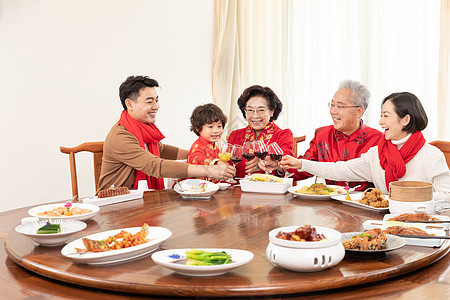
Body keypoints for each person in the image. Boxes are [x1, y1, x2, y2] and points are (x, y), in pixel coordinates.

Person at [272, 92, 450, 201]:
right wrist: (301, 164)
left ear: (405, 119)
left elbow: (447, 197)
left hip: (422, 226)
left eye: (386, 116)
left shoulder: (431, 155)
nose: (380, 122)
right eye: (381, 115)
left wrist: (403, 198)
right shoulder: (377, 154)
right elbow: (341, 170)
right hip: (385, 222)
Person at [97, 76, 235, 191]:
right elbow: (154, 166)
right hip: (117, 203)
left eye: (156, 100)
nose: (156, 106)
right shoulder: (121, 136)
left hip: (140, 196)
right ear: (130, 104)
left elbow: (161, 150)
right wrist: (208, 169)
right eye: (149, 101)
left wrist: (198, 154)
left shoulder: (142, 128)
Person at [264, 79, 382, 191]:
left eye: (340, 106)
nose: (333, 111)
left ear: (359, 111)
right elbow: (304, 168)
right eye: (332, 104)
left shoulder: (377, 140)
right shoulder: (322, 135)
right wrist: (279, 166)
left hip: (362, 205)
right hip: (327, 205)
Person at [227, 85, 294, 178]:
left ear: (272, 111)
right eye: (250, 110)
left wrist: (267, 163)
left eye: (261, 110)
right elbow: (228, 167)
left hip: (271, 189)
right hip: (240, 189)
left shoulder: (283, 135)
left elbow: (288, 166)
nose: (255, 116)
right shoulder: (235, 135)